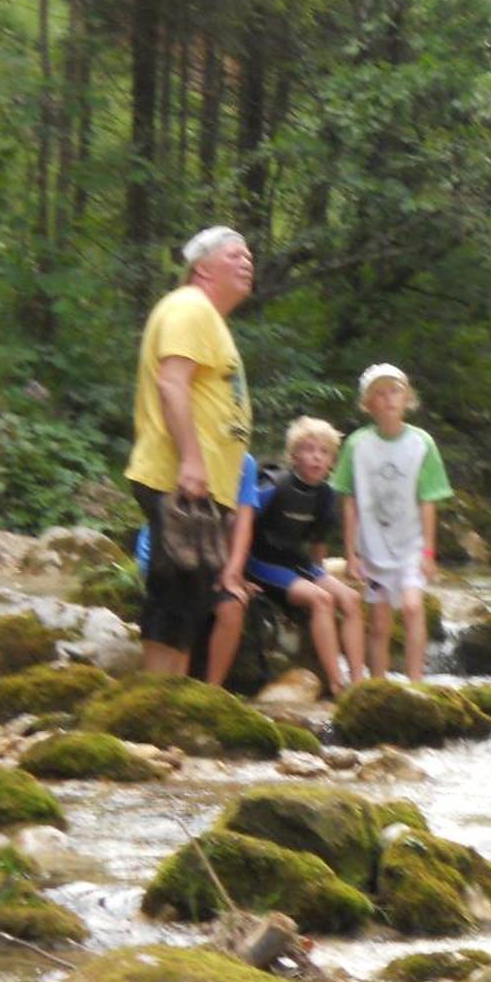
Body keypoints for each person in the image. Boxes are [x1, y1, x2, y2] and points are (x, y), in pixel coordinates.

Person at [123, 226, 254, 676]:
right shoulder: (189, 306)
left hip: (202, 485)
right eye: (235, 255)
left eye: (248, 255)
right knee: (173, 590)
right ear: (203, 268)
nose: (247, 261)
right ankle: (155, 697)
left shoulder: (209, 319)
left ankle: (170, 696)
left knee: (192, 597)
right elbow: (172, 382)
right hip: (176, 476)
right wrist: (194, 462)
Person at [334, 365, 452, 680]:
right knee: (380, 623)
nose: (388, 399)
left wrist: (428, 553)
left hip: (410, 543)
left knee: (413, 607)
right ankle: (378, 683)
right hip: (372, 545)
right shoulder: (357, 445)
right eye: (380, 394)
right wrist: (351, 553)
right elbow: (349, 500)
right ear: (368, 403)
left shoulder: (422, 443)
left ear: (407, 398)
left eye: (395, 392)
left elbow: (428, 500)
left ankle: (416, 683)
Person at [241, 417, 365, 693]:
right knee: (321, 600)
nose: (316, 457)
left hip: (294, 561)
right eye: (309, 449)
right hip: (259, 560)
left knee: (351, 599)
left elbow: (317, 545)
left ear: (332, 460)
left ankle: (359, 681)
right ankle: (336, 683)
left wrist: (318, 576)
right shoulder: (274, 485)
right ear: (294, 455)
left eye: (323, 452)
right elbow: (240, 526)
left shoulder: (325, 495)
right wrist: (237, 575)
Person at [204, 454, 266, 686]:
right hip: (176, 555)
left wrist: (233, 571)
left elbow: (242, 522)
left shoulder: (244, 462)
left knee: (233, 605)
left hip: (216, 557)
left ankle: (213, 690)